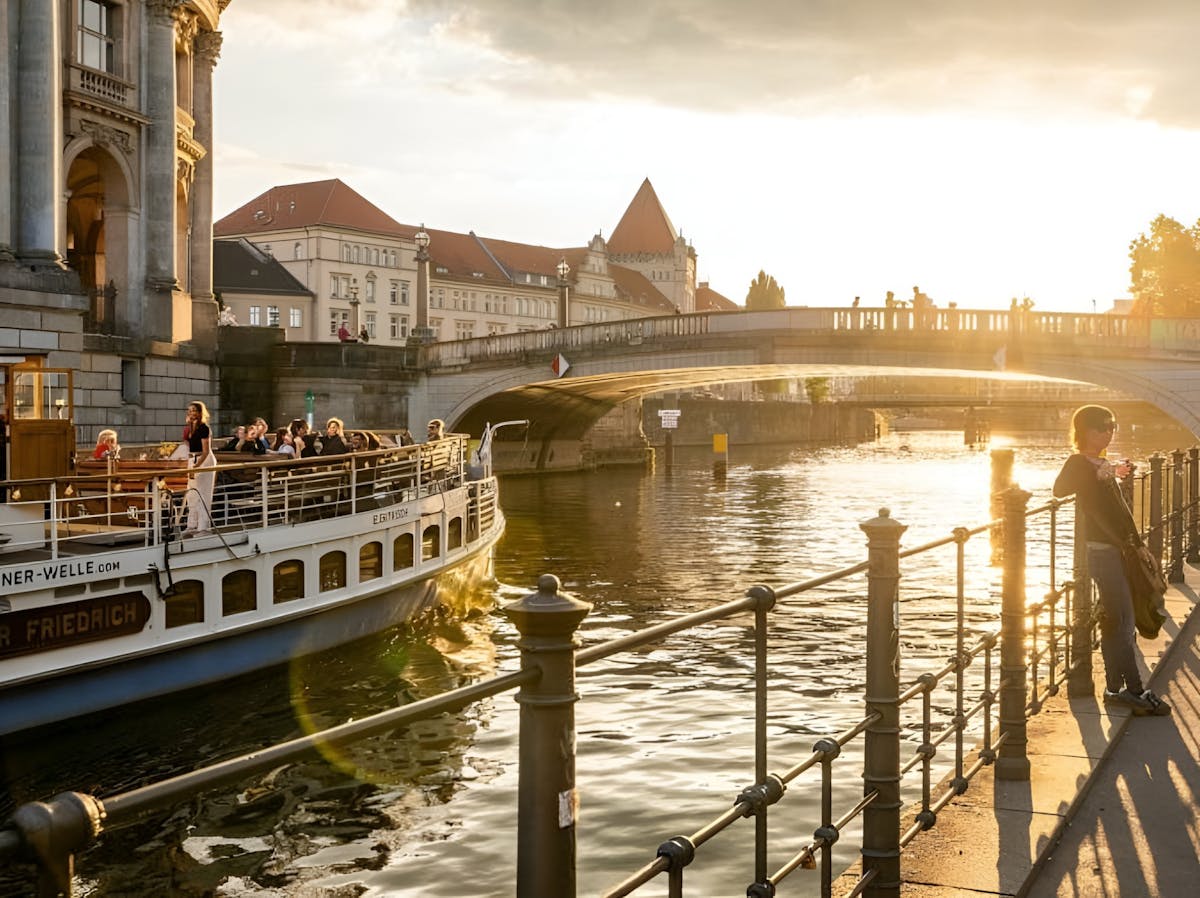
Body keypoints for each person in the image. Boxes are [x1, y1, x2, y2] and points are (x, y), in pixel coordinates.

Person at [1053, 405, 1170, 716]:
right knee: (1122, 621)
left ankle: (1115, 688)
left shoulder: (1100, 462)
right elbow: (1060, 489)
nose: (1110, 431)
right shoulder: (1079, 463)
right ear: (1087, 431)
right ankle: (1134, 690)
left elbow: (1120, 513)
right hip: (1103, 553)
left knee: (1116, 621)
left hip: (1121, 551)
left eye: (1113, 425)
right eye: (1104, 426)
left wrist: (1141, 545)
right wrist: (1096, 474)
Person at [184, 400, 216, 534]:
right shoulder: (191, 428)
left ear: (200, 412)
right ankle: (191, 525)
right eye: (190, 410)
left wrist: (196, 467)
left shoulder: (204, 428)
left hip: (204, 460)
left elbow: (206, 451)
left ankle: (203, 526)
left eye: (194, 410)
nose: (192, 413)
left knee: (203, 493)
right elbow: (187, 445)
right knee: (191, 493)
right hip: (193, 459)